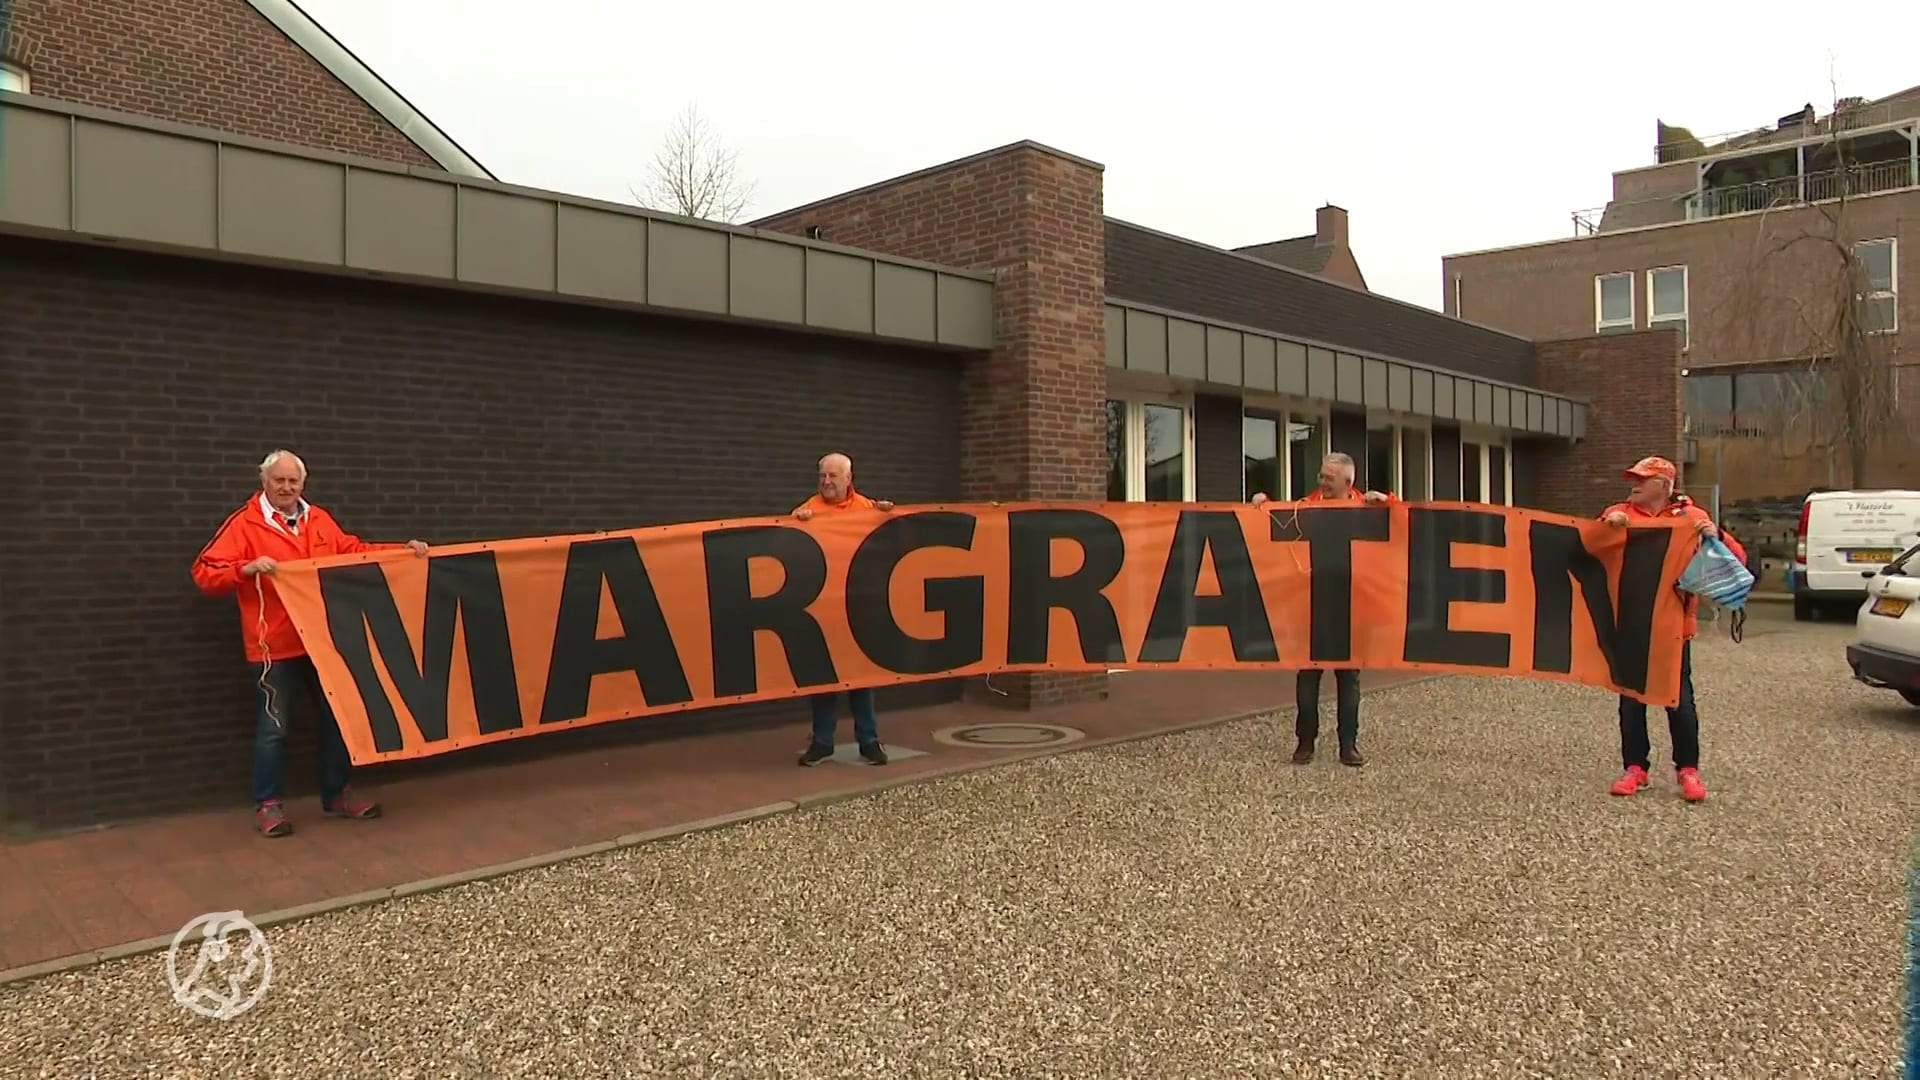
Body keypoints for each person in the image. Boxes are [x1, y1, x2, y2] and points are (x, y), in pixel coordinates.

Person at [191, 450, 430, 837]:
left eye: (293, 481)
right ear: (264, 482)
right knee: (275, 728)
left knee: (338, 718)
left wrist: (403, 551)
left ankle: (337, 794)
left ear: (303, 484)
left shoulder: (318, 520)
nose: (286, 487)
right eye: (278, 480)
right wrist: (245, 569)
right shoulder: (245, 524)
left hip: (320, 641)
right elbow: (204, 572)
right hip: (272, 646)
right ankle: (268, 805)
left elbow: (353, 551)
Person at [1600, 455, 1746, 803]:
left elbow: (1736, 560)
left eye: (1642, 478)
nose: (1633, 483)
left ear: (1663, 486)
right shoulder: (1618, 513)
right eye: (1632, 477)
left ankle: (1688, 769)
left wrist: (1717, 536)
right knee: (1632, 698)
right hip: (1629, 623)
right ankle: (1635, 767)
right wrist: (1608, 528)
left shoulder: (1693, 519)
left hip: (1673, 626)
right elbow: (1588, 548)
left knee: (1679, 699)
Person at [1251, 452, 1394, 767]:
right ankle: (1305, 742)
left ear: (1348, 482)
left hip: (1351, 610)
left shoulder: (1368, 509)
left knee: (1349, 679)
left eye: (1329, 478)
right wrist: (1263, 505)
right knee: (1308, 678)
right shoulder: (1307, 506)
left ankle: (1348, 744)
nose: (1322, 483)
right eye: (1321, 476)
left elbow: (1405, 521)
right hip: (1311, 608)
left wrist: (1389, 500)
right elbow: (1279, 524)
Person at [792, 453, 896, 767]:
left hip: (859, 608)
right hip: (823, 609)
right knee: (823, 679)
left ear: (849, 479)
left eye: (833, 476)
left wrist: (889, 516)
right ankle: (823, 742)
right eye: (822, 476)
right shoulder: (808, 511)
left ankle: (869, 741)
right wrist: (794, 522)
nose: (826, 482)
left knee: (862, 677)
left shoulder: (867, 509)